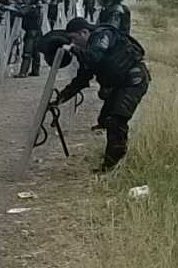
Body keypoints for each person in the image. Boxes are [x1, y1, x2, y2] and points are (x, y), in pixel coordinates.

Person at [52, 17, 150, 173]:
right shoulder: (89, 50)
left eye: (74, 39)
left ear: (84, 32)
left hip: (133, 81)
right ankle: (114, 160)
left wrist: (73, 49)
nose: (74, 43)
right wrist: (60, 99)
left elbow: (95, 57)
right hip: (120, 84)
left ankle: (111, 167)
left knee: (115, 120)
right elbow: (81, 80)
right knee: (105, 120)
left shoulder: (101, 36)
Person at [15, 0, 44, 77]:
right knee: (35, 52)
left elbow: (21, 12)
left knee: (27, 52)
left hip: (32, 32)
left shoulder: (32, 8)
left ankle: (23, 72)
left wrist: (14, 8)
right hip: (36, 31)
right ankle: (35, 71)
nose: (25, 0)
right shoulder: (37, 7)